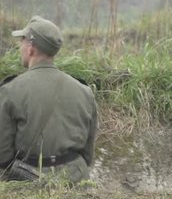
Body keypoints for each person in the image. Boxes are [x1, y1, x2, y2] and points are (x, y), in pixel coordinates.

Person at [0, 16, 98, 182]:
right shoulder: (85, 91)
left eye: (22, 41)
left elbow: (3, 155)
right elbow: (88, 154)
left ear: (30, 48)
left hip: (27, 180)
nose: (20, 47)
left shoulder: (10, 90)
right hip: (76, 178)